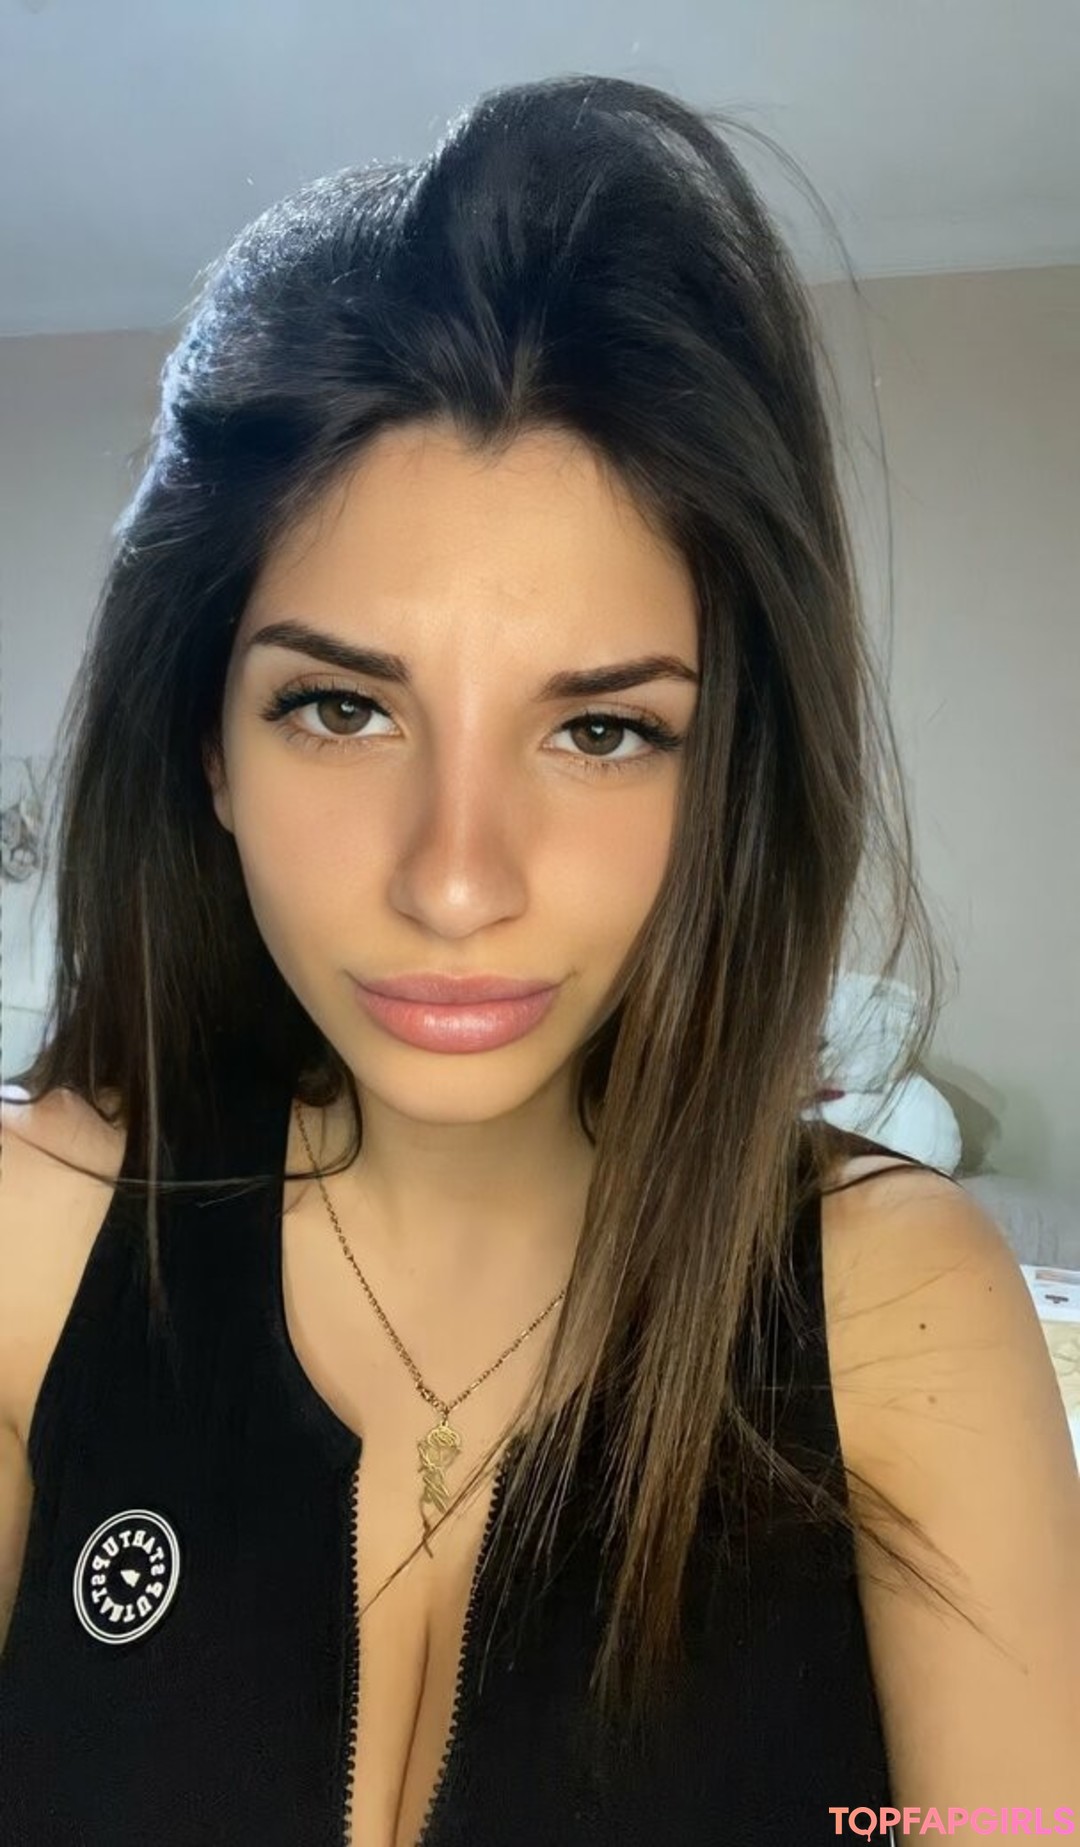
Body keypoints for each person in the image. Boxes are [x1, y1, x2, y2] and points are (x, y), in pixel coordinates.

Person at [0, 72, 1076, 1847]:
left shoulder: (905, 1314)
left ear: (723, 776)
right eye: (340, 708)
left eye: (601, 732)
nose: (455, 881)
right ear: (209, 745)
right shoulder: (40, 1233)